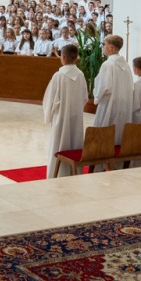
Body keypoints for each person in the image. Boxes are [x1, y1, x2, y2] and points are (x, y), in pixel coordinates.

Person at [42, 43, 89, 179]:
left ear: (62, 57)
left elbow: (50, 99)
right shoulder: (80, 75)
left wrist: (48, 115)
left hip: (61, 117)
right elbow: (85, 97)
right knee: (74, 144)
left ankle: (56, 174)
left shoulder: (58, 76)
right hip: (76, 117)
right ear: (76, 58)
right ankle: (73, 172)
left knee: (58, 145)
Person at [93, 34, 133, 144]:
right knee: (118, 134)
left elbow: (103, 86)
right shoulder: (126, 66)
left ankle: (103, 154)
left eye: (104, 44)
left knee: (105, 135)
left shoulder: (108, 64)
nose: (103, 47)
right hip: (123, 105)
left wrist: (96, 97)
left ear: (111, 47)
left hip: (109, 104)